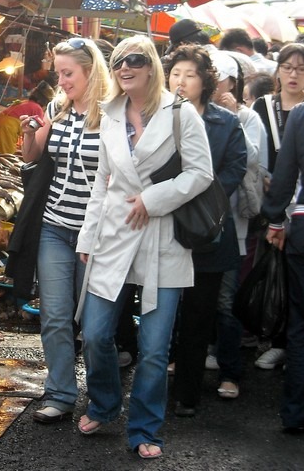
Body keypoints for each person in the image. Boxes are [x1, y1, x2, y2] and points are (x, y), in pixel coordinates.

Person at [75, 36, 213, 459]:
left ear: (151, 65)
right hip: (114, 234)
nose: (125, 67)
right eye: (118, 61)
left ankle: (145, 428)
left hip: (162, 236)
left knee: (154, 348)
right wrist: (87, 235)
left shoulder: (180, 113)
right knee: (95, 333)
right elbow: (102, 182)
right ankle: (104, 403)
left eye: (135, 60)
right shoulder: (109, 113)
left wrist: (152, 200)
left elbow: (201, 173)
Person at [18, 38, 110, 424]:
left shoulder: (113, 112)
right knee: (55, 315)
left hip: (98, 233)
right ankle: (60, 393)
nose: (62, 81)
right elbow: (32, 155)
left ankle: (102, 398)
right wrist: (29, 132)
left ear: (91, 71)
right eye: (59, 73)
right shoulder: (58, 107)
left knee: (93, 325)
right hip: (54, 226)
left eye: (68, 73)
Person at [165, 46, 247, 416]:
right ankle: (154, 386)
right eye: (176, 73)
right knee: (163, 311)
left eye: (190, 75)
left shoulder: (225, 122)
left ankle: (187, 393)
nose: (181, 82)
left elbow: (236, 167)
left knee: (199, 313)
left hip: (207, 228)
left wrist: (204, 198)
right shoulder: (158, 116)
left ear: (205, 81)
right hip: (164, 222)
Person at [205, 51, 268, 392]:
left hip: (232, 223)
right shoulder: (189, 112)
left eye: (221, 81)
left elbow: (253, 160)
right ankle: (188, 357)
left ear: (232, 83)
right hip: (192, 222)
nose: (215, 86)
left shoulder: (246, 116)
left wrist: (234, 119)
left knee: (226, 299)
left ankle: (230, 370)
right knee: (188, 296)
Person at [251, 42, 304, 370]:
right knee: (273, 274)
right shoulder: (264, 106)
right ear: (278, 71)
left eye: (301, 69)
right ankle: (271, 337)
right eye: (287, 67)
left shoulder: (302, 112)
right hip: (272, 202)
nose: (294, 74)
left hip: (297, 208)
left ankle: (288, 349)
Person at [262, 102, 304, 435]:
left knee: (301, 323)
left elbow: (285, 172)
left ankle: (295, 412)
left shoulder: (301, 114)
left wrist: (275, 219)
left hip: (303, 229)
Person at [0, 82, 55, 155]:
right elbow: (38, 134)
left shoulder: (26, 102)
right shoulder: (37, 108)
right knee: (7, 156)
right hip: (7, 129)